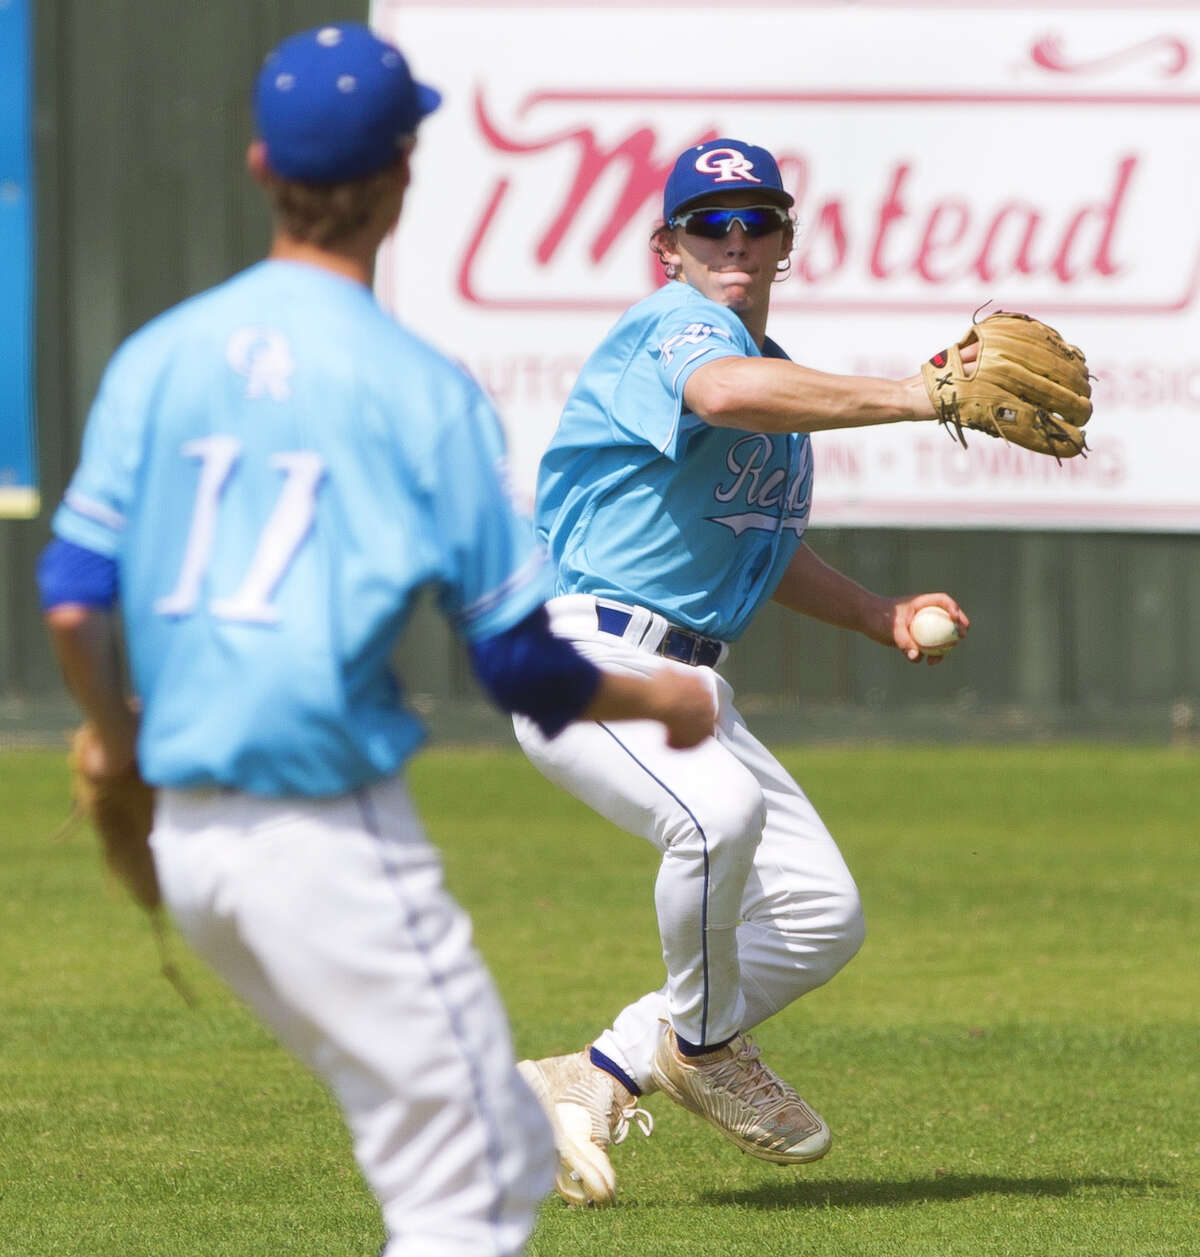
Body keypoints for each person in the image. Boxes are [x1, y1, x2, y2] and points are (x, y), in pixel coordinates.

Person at [35, 24, 715, 1257]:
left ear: (258, 168)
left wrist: (114, 733)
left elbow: (75, 595)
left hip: (192, 841)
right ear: (404, 176)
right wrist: (664, 703)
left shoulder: (161, 355)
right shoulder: (419, 389)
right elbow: (516, 663)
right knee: (474, 1185)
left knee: (462, 1154)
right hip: (325, 836)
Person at [513, 138, 971, 1207]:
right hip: (588, 653)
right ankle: (708, 1048)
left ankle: (596, 1072)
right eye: (707, 223)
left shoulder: (777, 385)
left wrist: (876, 612)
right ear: (664, 247)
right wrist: (916, 394)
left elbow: (761, 539)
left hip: (686, 682)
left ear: (784, 242)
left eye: (755, 221)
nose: (732, 240)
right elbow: (721, 391)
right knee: (713, 818)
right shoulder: (677, 331)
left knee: (819, 914)